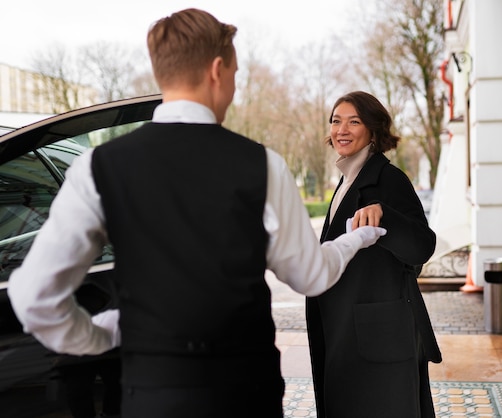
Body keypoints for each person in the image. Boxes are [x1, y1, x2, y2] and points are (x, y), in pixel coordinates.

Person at [7, 10, 386, 418]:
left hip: (153, 394)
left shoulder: (95, 168)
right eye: (236, 73)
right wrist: (357, 237)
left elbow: (33, 297)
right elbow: (311, 276)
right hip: (245, 392)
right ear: (218, 70)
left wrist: (104, 334)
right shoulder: (263, 165)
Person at [305, 91, 442, 418]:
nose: (342, 130)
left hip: (375, 336)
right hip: (346, 332)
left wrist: (386, 215)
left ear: (374, 130)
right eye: (336, 121)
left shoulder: (389, 180)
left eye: (354, 121)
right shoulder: (346, 181)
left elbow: (423, 247)